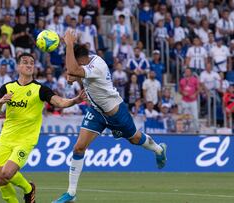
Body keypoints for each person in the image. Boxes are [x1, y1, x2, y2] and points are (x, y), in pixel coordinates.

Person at [52, 31, 167, 203]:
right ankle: (71, 193)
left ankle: (159, 150)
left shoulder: (97, 66)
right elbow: (75, 72)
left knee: (135, 139)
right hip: (96, 112)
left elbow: (73, 69)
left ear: (79, 59)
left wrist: (68, 45)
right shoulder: (87, 60)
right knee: (78, 148)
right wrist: (73, 77)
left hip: (116, 113)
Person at [0, 53, 85, 203]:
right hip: (6, 137)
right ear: (18, 66)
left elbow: (59, 102)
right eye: (25, 62)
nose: (29, 65)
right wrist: (1, 102)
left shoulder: (40, 89)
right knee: (1, 179)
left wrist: (76, 100)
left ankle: (28, 189)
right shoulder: (7, 88)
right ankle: (29, 189)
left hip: (26, 140)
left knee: (7, 174)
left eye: (32, 63)